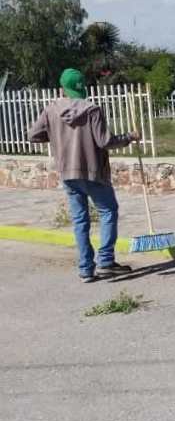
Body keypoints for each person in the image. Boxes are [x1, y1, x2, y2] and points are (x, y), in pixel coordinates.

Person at [28, 68, 139, 282]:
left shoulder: (51, 109)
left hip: (67, 173)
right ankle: (106, 262)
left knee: (80, 220)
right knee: (108, 212)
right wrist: (129, 137)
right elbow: (105, 141)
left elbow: (33, 135)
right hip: (93, 171)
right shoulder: (92, 110)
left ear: (62, 88)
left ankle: (86, 269)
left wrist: (55, 136)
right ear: (82, 87)